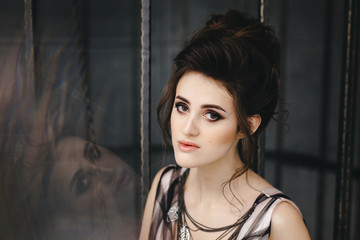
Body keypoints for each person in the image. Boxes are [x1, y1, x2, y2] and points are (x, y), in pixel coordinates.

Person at [139, 10, 310, 240]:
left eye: (211, 115)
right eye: (182, 107)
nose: (188, 128)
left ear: (247, 126)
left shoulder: (279, 220)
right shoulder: (165, 186)